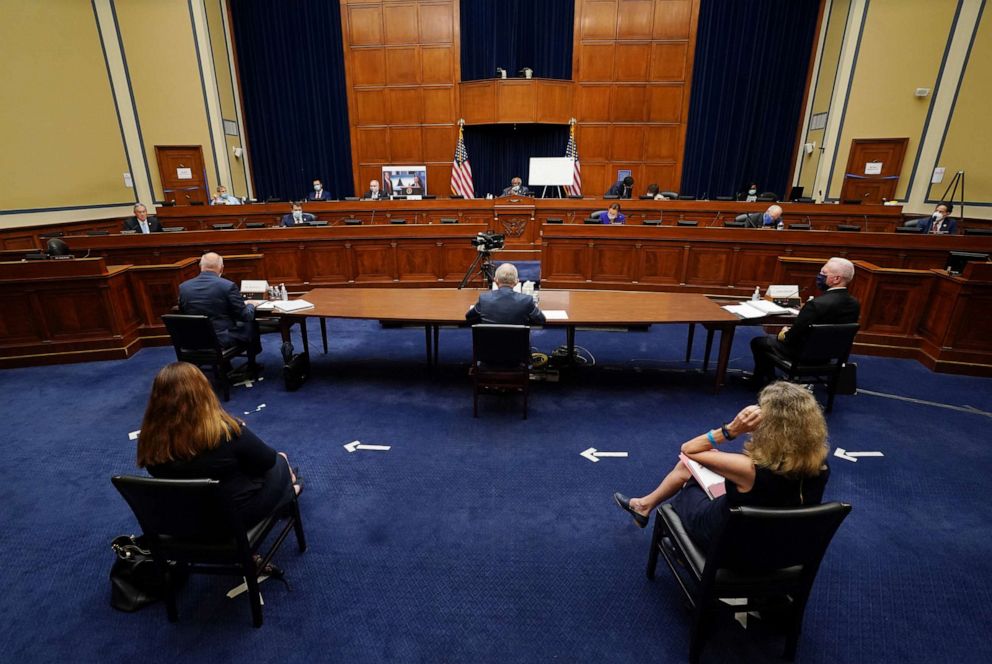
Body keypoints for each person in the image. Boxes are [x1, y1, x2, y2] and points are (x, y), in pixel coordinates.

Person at [612, 381, 830, 552]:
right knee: (695, 467)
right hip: (784, 543)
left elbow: (689, 449)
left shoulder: (749, 470)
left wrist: (732, 429)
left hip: (732, 544)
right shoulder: (821, 466)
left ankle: (679, 544)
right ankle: (643, 505)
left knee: (688, 477)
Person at [136, 362, 301, 527]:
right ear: (203, 393)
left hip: (187, 519)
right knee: (281, 460)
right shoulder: (225, 432)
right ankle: (290, 491)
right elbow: (267, 461)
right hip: (232, 518)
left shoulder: (150, 439)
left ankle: (289, 487)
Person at [749, 257, 860, 387]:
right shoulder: (854, 304)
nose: (819, 276)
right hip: (829, 356)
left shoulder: (816, 304)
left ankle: (766, 383)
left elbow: (791, 338)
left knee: (758, 342)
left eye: (823, 274)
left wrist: (784, 333)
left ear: (836, 279)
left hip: (802, 355)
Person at [179, 252, 263, 377]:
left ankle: (226, 364)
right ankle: (252, 366)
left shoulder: (183, 287)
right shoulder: (227, 286)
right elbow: (245, 316)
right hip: (220, 339)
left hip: (193, 339)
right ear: (222, 268)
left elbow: (183, 312)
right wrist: (251, 305)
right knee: (250, 324)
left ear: (200, 266)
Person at [465, 263, 545, 325]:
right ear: (516, 282)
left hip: (489, 345)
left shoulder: (484, 299)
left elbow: (469, 317)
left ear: (496, 281)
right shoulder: (526, 300)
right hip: (518, 346)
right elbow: (541, 320)